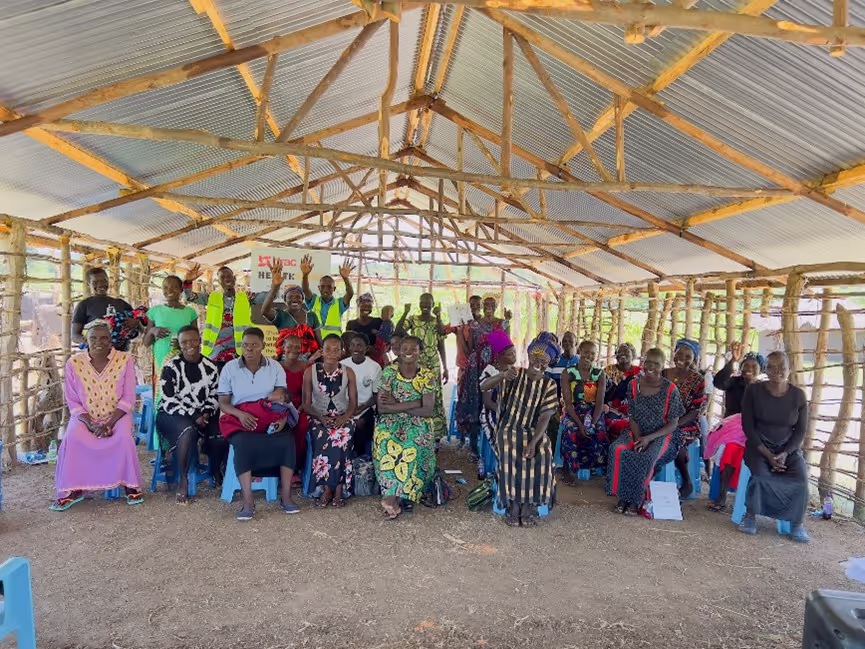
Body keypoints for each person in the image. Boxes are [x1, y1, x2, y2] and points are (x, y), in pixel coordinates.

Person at [51, 320, 144, 510]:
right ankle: (73, 488)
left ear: (111, 341)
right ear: (86, 340)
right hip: (85, 418)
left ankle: (130, 485)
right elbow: (72, 400)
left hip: (117, 416)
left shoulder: (124, 360)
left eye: (104, 338)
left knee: (124, 437)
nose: (98, 342)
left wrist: (109, 423)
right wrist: (91, 424)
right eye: (93, 338)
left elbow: (128, 396)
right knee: (72, 437)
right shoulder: (74, 363)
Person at [218, 327, 298, 521]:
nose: (249, 350)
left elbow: (281, 399)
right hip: (239, 418)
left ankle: (286, 497)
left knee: (287, 441)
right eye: (245, 345)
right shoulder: (230, 368)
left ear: (263, 346)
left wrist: (282, 419)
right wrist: (241, 415)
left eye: (254, 345)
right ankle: (248, 502)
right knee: (244, 444)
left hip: (269, 416)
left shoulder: (275, 367)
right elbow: (223, 403)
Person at [485, 333, 559, 527]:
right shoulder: (515, 374)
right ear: (528, 356)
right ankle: (513, 505)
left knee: (543, 453)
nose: (538, 363)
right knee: (510, 450)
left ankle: (530, 505)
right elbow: (484, 386)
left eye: (544, 361)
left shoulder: (549, 384)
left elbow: (545, 417)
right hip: (509, 427)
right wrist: (502, 375)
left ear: (549, 363)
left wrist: (534, 441)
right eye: (535, 358)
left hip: (534, 431)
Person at [738, 351, 809, 543]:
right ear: (766, 369)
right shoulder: (753, 391)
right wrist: (768, 455)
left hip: (788, 450)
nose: (777, 371)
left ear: (789, 369)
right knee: (761, 476)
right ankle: (750, 516)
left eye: (782, 367)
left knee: (801, 479)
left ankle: (796, 523)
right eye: (772, 367)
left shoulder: (798, 396)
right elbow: (748, 427)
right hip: (759, 447)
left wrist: (785, 453)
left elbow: (800, 431)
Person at [607, 348, 685, 516]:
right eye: (648, 362)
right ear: (642, 363)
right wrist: (637, 438)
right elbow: (632, 416)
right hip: (637, 432)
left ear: (663, 366)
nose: (651, 367)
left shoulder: (671, 390)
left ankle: (635, 499)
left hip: (663, 435)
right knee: (618, 449)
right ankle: (623, 496)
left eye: (656, 364)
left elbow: (673, 424)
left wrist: (648, 439)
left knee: (647, 457)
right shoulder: (633, 385)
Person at [155, 326, 226, 502]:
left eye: (193, 340)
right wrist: (195, 415)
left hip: (203, 413)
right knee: (187, 430)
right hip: (173, 413)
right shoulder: (171, 367)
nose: (190, 345)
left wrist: (207, 412)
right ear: (179, 344)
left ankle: (215, 468)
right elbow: (169, 399)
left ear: (200, 340)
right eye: (184, 342)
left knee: (220, 433)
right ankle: (183, 479)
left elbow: (214, 394)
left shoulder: (210, 366)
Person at [374, 336, 437, 520]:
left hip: (418, 421)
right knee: (386, 441)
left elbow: (427, 410)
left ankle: (392, 498)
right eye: (404, 348)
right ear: (397, 351)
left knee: (410, 445)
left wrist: (398, 402)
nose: (409, 351)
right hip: (390, 420)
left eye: (414, 348)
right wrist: (415, 401)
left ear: (421, 351)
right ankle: (394, 497)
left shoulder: (427, 375)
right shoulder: (388, 372)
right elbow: (382, 407)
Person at [705, 343, 766, 512]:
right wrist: (733, 360)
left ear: (761, 371)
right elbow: (719, 382)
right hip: (729, 432)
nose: (749, 369)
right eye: (746, 365)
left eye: (754, 367)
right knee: (730, 449)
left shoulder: (764, 389)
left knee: (750, 451)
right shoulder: (733, 382)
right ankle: (722, 495)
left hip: (753, 433)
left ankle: (747, 499)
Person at [303, 334, 358, 508]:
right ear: (321, 351)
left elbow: (354, 403)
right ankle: (327, 488)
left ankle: (339, 488)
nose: (331, 353)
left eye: (336, 350)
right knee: (323, 435)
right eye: (328, 349)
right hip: (318, 416)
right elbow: (305, 404)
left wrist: (344, 417)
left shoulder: (348, 371)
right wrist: (321, 418)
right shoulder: (310, 371)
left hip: (343, 416)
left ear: (342, 352)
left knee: (344, 434)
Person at [184, 264, 257, 370]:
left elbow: (265, 297)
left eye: (229, 276)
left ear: (234, 278)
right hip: (215, 350)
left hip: (238, 349)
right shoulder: (211, 297)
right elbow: (189, 297)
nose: (226, 278)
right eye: (222, 277)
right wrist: (188, 282)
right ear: (219, 282)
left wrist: (275, 285)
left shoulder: (245, 297)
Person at [395, 294, 448, 436]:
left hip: (434, 364)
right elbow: (398, 330)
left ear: (432, 304)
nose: (425, 305)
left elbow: (442, 342)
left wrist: (446, 368)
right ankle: (416, 431)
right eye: (422, 302)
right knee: (416, 395)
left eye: (428, 303)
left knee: (434, 398)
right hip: (416, 363)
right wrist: (405, 312)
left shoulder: (436, 322)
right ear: (418, 303)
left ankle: (435, 435)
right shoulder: (413, 319)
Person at [662, 339, 707, 498]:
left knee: (675, 438)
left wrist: (675, 424)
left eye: (688, 356)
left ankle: (686, 481)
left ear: (693, 359)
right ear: (673, 354)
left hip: (686, 423)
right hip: (661, 420)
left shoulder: (698, 380)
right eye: (679, 354)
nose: (682, 358)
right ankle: (649, 478)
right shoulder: (663, 373)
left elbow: (696, 411)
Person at [559, 340, 609, 482]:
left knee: (598, 430)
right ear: (579, 351)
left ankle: (594, 465)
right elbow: (568, 404)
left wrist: (592, 424)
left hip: (593, 411)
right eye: (586, 352)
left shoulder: (599, 374)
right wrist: (581, 425)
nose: (589, 355)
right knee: (572, 430)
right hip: (574, 411)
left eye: (593, 353)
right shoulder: (568, 373)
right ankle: (568, 468)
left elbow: (599, 402)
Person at [144, 275, 199, 393]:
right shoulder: (154, 311)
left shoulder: (190, 313)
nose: (169, 290)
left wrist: (183, 345)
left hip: (184, 359)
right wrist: (153, 331)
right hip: (161, 360)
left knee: (184, 391)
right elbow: (146, 343)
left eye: (174, 287)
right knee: (162, 392)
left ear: (181, 289)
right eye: (165, 287)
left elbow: (196, 340)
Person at [72, 267, 145, 352]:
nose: (100, 284)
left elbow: (140, 328)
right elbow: (74, 335)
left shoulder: (121, 303)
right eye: (95, 282)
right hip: (96, 357)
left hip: (120, 355)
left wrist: (136, 324)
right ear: (88, 284)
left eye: (104, 280)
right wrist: (93, 341)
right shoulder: (84, 305)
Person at [262, 261, 322, 360]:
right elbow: (264, 311)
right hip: (286, 361)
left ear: (302, 299)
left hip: (309, 360)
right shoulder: (281, 315)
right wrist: (275, 286)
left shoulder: (311, 316)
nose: (295, 299)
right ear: (285, 300)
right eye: (290, 297)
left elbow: (320, 342)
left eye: (298, 296)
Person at [447, 295, 482, 459]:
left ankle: (475, 439)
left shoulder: (483, 324)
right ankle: (463, 435)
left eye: (478, 304)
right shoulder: (461, 321)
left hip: (481, 369)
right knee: (463, 401)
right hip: (463, 367)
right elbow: (443, 330)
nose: (475, 306)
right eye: (472, 304)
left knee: (479, 404)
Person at [478, 329, 519, 469]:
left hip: (509, 413)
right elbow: (487, 401)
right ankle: (503, 468)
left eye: (514, 352)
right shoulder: (490, 371)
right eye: (510, 354)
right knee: (502, 437)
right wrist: (503, 411)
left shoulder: (514, 370)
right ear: (500, 355)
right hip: (492, 414)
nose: (514, 356)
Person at [341, 332, 382, 456]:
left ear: (366, 348)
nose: (355, 349)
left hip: (365, 407)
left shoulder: (375, 367)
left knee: (360, 424)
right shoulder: (343, 364)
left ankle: (359, 455)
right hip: (345, 406)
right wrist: (349, 409)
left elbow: (376, 396)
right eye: (352, 345)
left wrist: (361, 408)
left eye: (359, 345)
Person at [275, 334, 310, 479]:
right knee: (279, 427)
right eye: (290, 346)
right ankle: (279, 466)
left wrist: (299, 408)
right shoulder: (276, 367)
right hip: (281, 406)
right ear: (283, 348)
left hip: (301, 406)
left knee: (302, 425)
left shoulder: (306, 367)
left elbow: (308, 393)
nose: (294, 350)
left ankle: (297, 466)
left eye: (297, 347)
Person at [300, 254, 355, 336]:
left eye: (329, 287)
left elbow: (350, 293)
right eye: (323, 286)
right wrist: (305, 275)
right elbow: (305, 289)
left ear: (334, 289)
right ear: (319, 288)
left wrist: (345, 278)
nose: (326, 289)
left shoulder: (339, 304)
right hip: (315, 342)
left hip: (333, 344)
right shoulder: (314, 301)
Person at [604, 342, 641, 443]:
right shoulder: (608, 370)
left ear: (633, 355)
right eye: (619, 352)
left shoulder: (639, 372)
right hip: (612, 408)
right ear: (615, 355)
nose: (622, 354)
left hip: (634, 409)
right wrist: (615, 385)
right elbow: (604, 396)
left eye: (626, 351)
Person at [346, 293, 387, 366]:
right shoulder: (351, 324)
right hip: (356, 361)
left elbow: (386, 343)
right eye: (363, 305)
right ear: (358, 305)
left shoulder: (378, 322)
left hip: (375, 361)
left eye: (369, 306)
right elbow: (347, 345)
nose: (366, 308)